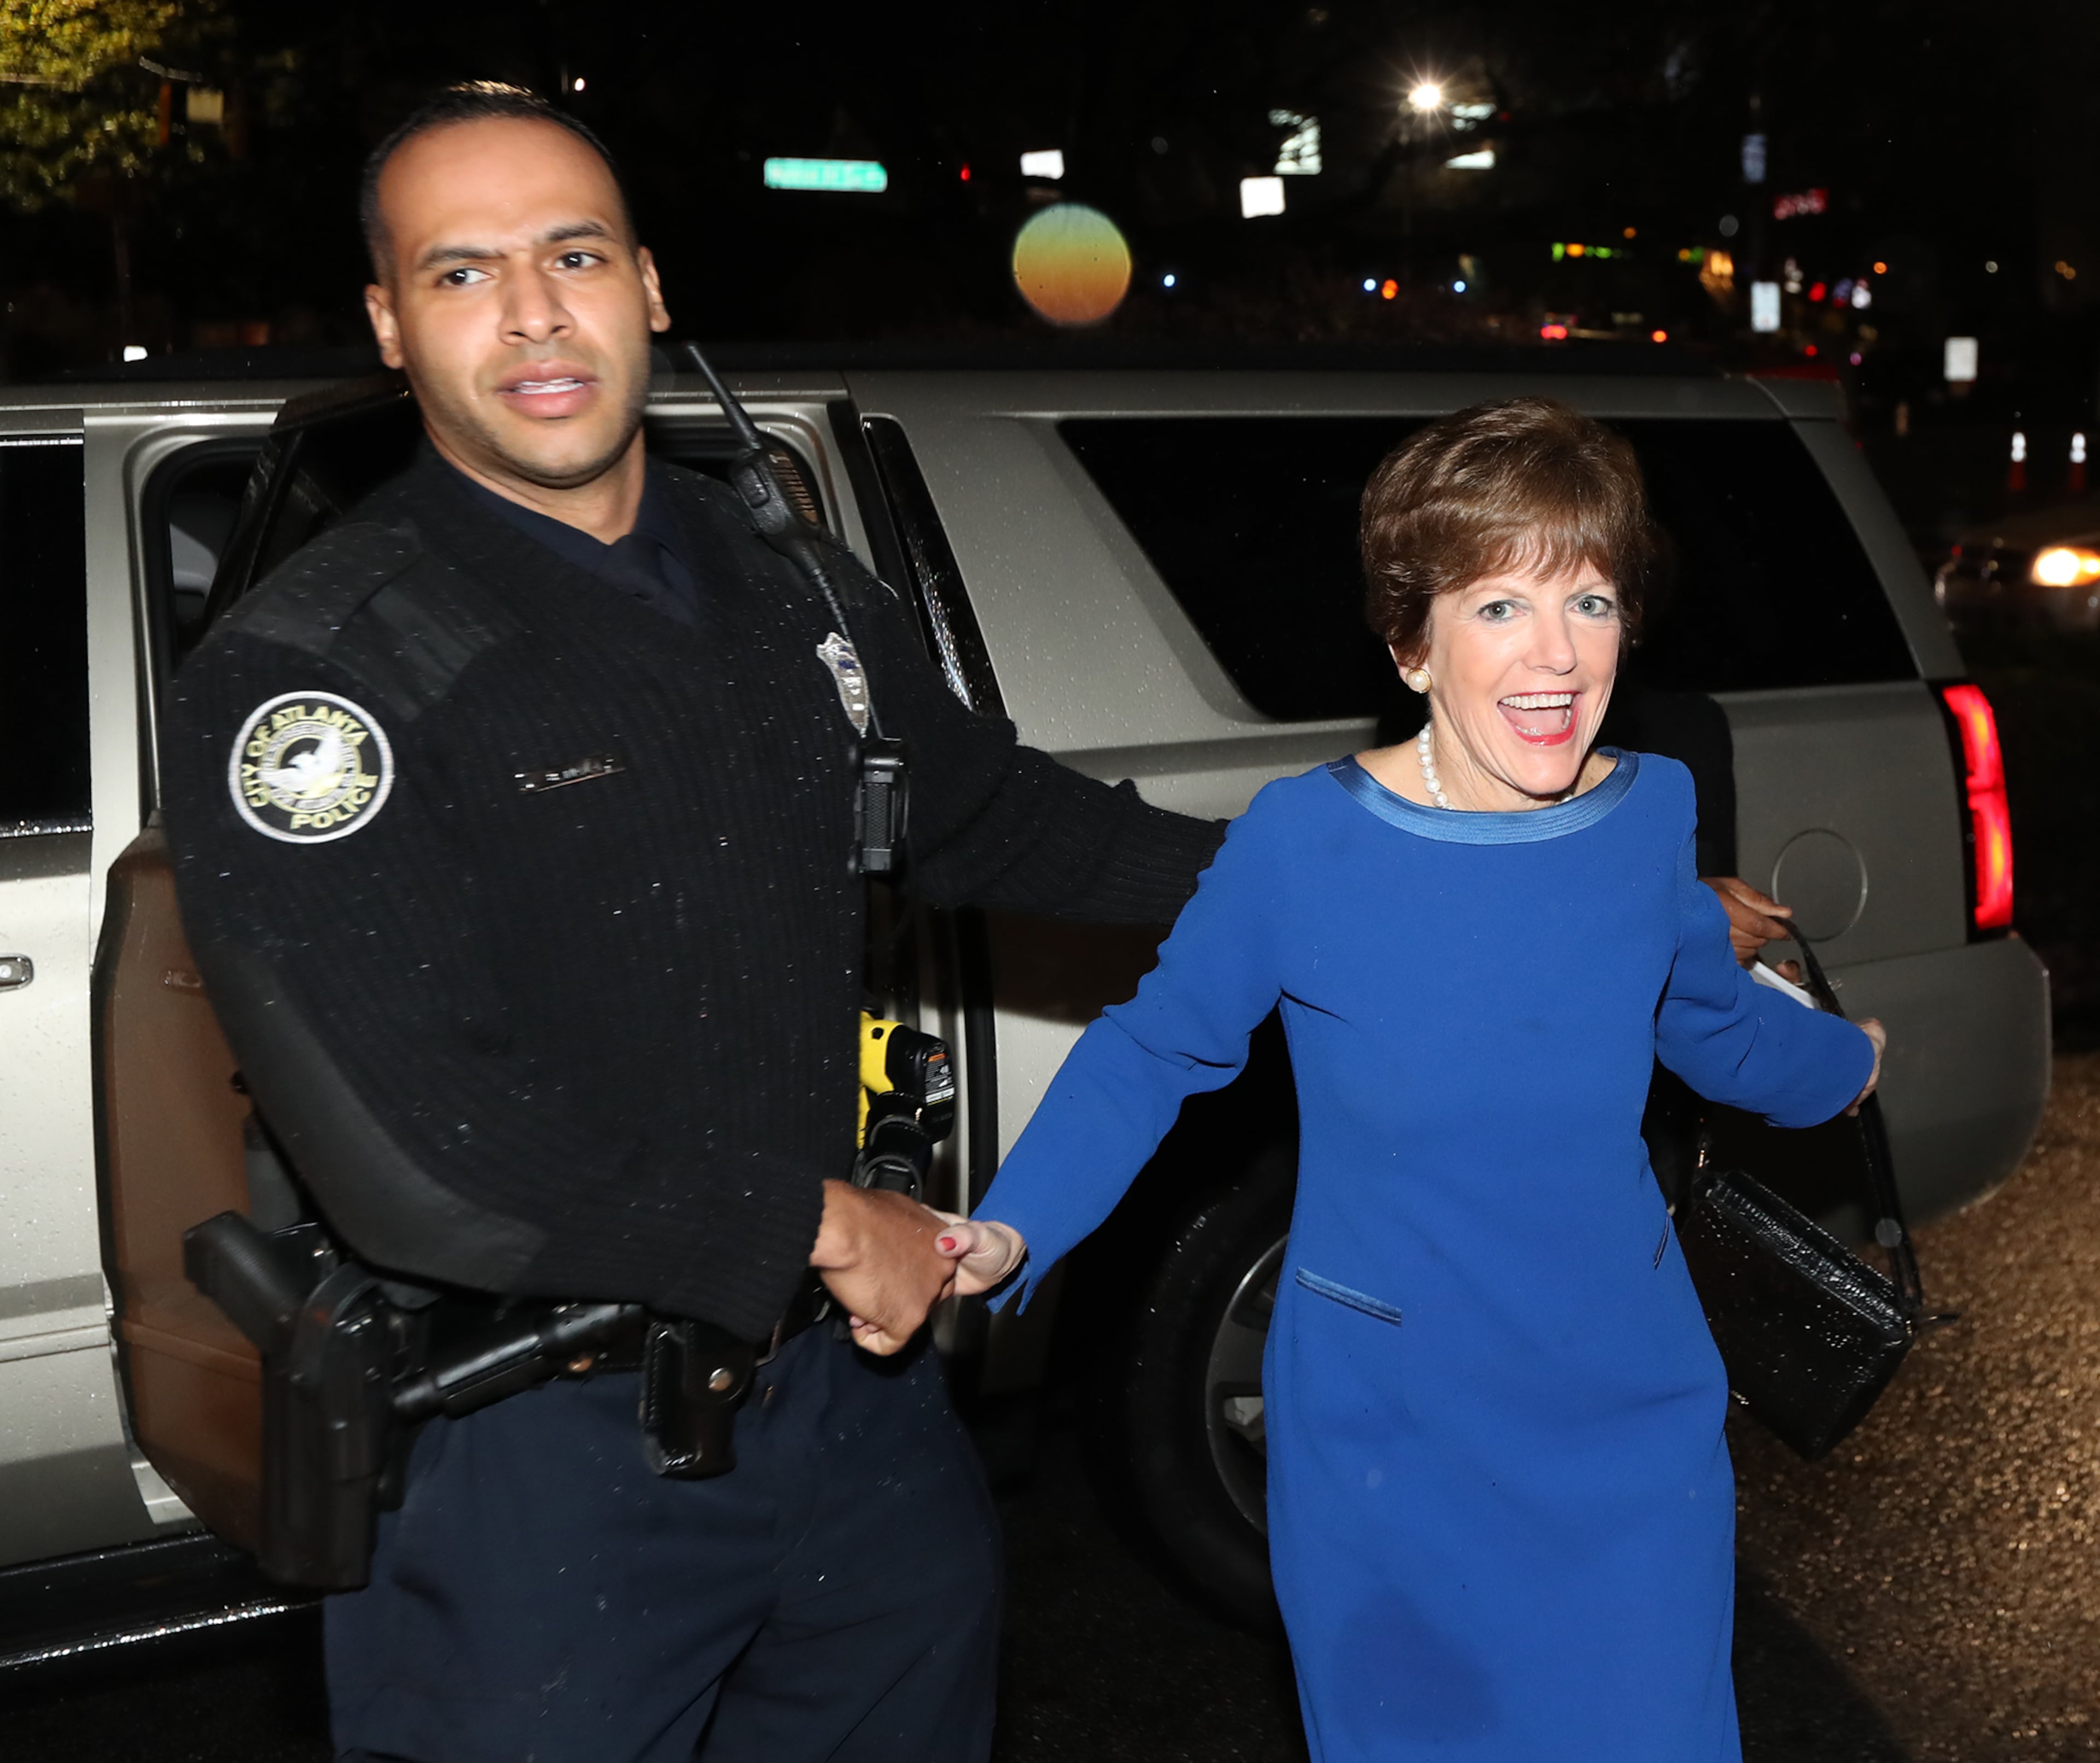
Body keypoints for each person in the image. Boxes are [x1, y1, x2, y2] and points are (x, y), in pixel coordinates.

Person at [159, 83, 1223, 1763]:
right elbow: (417, 1145)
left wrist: (1416, 882)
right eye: (460, 272)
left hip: (854, 1428)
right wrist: (810, 1219)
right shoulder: (321, 673)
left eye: (572, 254)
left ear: (649, 285)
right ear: (387, 322)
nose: (531, 314)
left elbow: (998, 814)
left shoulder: (781, 577)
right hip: (538, 1470)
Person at [939, 398, 1886, 1762]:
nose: (1557, 655)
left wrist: (1840, 1068)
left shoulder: (1652, 815)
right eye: (1500, 605)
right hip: (1392, 1435)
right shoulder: (1305, 845)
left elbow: (1709, 1020)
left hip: (1627, 1417)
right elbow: (1155, 1046)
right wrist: (1014, 1225)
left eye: (1594, 600)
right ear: (1411, 642)